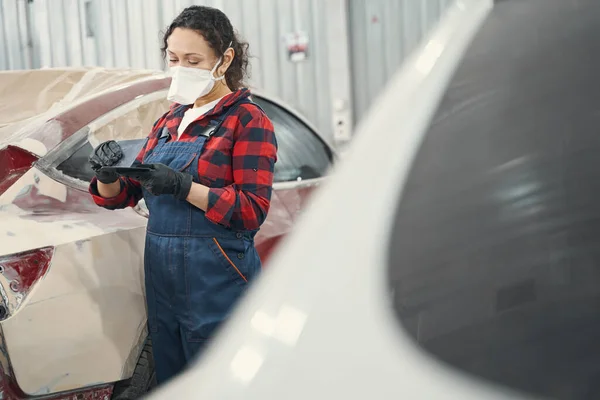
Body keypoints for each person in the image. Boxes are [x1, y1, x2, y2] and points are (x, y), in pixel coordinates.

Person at [87, 5, 277, 384]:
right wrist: (107, 172)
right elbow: (120, 195)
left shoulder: (248, 120)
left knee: (221, 380)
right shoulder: (170, 120)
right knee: (173, 378)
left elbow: (251, 211)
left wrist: (182, 186)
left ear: (224, 60)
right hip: (162, 272)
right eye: (173, 59)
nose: (180, 69)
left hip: (217, 274)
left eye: (193, 60)